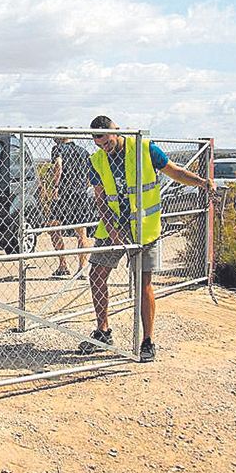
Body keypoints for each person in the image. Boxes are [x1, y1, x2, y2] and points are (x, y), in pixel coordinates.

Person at [85, 116, 215, 362]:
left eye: (107, 141)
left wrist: (202, 183)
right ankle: (103, 330)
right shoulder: (97, 160)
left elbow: (175, 171)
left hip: (144, 227)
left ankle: (147, 340)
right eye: (99, 144)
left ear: (116, 131)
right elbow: (100, 198)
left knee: (143, 282)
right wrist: (112, 227)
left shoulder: (145, 148)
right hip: (113, 226)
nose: (104, 147)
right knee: (97, 275)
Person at [46, 128, 95, 278]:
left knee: (54, 227)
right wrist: (84, 186)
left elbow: (58, 166)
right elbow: (89, 173)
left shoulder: (58, 149)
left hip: (64, 193)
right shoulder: (83, 151)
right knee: (81, 233)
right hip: (80, 194)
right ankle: (82, 268)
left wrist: (55, 186)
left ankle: (63, 265)